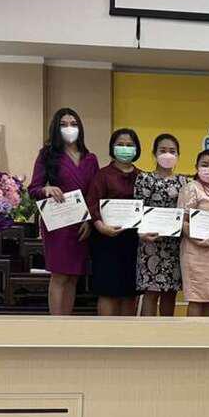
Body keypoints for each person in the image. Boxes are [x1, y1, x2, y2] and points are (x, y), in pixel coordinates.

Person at [28, 108, 99, 315]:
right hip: (57, 223)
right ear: (56, 128)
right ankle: (55, 325)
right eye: (64, 124)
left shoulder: (90, 158)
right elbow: (33, 189)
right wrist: (46, 189)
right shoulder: (47, 155)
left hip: (81, 223)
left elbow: (94, 194)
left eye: (73, 124)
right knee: (59, 275)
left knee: (73, 276)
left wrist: (89, 221)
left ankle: (66, 324)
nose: (69, 128)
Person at [86, 128, 142, 316]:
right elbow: (92, 204)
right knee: (108, 291)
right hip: (107, 241)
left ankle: (127, 333)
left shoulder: (142, 176)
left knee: (130, 293)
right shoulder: (102, 175)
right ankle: (106, 333)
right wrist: (101, 227)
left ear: (137, 149)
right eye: (120, 144)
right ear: (112, 147)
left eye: (129, 145)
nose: (125, 148)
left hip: (134, 242)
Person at [134, 133, 188, 317]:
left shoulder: (184, 182)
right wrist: (141, 232)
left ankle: (167, 332)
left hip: (173, 245)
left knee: (170, 293)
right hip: (150, 244)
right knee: (151, 292)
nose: (167, 154)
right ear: (154, 153)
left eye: (172, 151)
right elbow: (137, 209)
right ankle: (148, 333)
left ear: (178, 155)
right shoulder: (144, 178)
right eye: (163, 150)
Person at [178, 150, 209, 317]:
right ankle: (193, 333)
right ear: (197, 167)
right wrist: (197, 239)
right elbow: (182, 221)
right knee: (196, 298)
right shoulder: (190, 188)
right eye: (205, 164)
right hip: (195, 250)